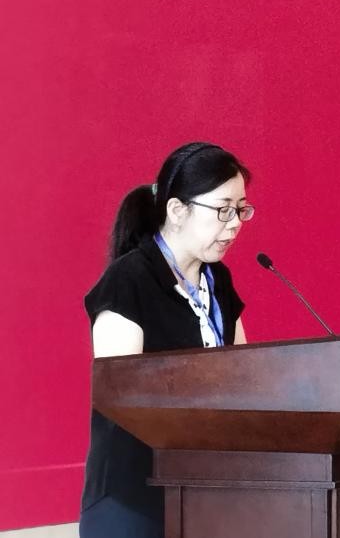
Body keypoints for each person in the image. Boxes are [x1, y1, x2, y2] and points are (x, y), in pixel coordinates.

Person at [78, 142, 254, 538]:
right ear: (177, 210)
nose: (235, 223)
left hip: (203, 491)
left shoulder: (217, 280)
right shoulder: (129, 280)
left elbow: (248, 374)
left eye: (241, 209)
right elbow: (122, 398)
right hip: (133, 496)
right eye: (223, 209)